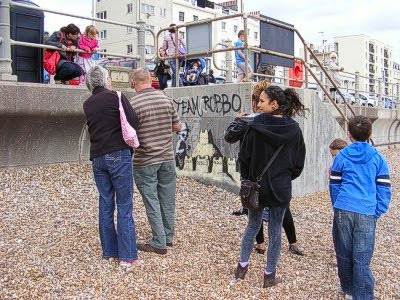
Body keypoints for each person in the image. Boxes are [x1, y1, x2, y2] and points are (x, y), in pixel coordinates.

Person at [233, 85, 306, 288]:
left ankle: (242, 268)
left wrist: (249, 178)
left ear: (274, 104)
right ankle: (269, 275)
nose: (258, 104)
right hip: (281, 188)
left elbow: (244, 157)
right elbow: (299, 162)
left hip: (257, 185)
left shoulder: (254, 125)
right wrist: (284, 178)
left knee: (252, 226)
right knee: (275, 232)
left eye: (262, 101)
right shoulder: (294, 128)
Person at [82, 66, 142, 268]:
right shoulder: (116, 96)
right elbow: (133, 121)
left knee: (105, 203)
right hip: (118, 152)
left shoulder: (87, 103)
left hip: (97, 157)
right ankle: (127, 257)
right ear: (106, 79)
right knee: (125, 205)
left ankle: (109, 252)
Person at [330, 115, 391, 300]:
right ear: (370, 134)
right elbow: (384, 188)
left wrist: (338, 205)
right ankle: (363, 295)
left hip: (343, 208)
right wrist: (377, 211)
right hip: (366, 210)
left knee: (343, 252)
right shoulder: (377, 158)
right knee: (362, 257)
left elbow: (334, 185)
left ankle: (348, 290)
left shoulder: (341, 156)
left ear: (349, 135)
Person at [129, 68, 182, 255]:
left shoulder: (132, 103)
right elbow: (177, 126)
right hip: (167, 157)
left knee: (151, 200)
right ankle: (167, 236)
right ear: (151, 80)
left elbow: (128, 133)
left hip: (145, 159)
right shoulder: (165, 98)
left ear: (133, 83)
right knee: (167, 199)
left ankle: (158, 242)